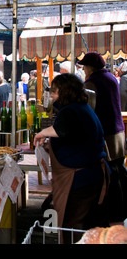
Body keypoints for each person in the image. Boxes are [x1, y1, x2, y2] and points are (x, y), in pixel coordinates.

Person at [34, 73, 109, 243]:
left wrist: (43, 133)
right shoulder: (81, 107)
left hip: (81, 179)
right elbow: (73, 135)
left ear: (65, 92)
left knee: (72, 226)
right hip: (91, 175)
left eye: (54, 91)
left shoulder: (71, 111)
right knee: (88, 226)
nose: (51, 95)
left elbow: (62, 130)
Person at [78, 52, 125, 161]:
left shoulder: (91, 83)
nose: (83, 69)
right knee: (119, 166)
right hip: (118, 129)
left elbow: (87, 109)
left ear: (90, 67)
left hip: (105, 132)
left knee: (108, 170)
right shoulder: (111, 77)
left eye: (84, 66)